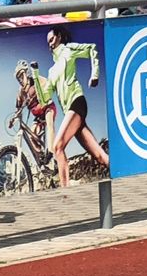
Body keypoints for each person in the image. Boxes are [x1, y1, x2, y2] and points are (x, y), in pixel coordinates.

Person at [30, 26, 108, 187]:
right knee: (100, 157)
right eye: (48, 42)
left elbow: (91, 48)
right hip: (69, 112)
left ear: (59, 37)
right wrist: (36, 75)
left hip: (77, 102)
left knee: (57, 146)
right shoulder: (51, 71)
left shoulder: (68, 50)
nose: (50, 44)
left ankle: (65, 192)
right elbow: (44, 99)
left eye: (52, 39)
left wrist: (95, 75)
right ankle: (125, 174)